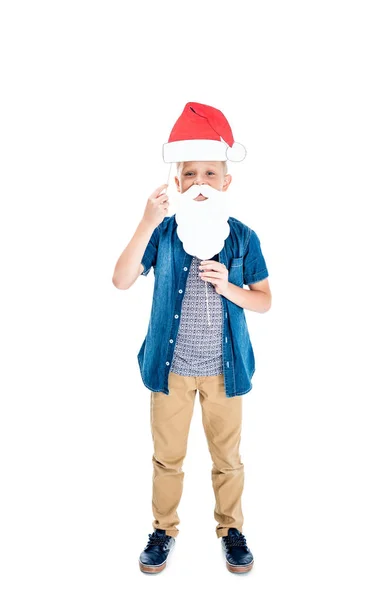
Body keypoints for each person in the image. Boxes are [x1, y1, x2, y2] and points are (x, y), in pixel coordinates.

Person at [112, 103, 272, 574]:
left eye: (210, 172)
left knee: (228, 458)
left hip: (225, 370)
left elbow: (264, 301)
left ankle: (232, 529)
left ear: (226, 180)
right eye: (190, 173)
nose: (200, 182)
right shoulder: (162, 234)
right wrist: (145, 220)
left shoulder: (242, 238)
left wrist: (229, 287)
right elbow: (121, 280)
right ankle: (163, 529)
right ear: (177, 181)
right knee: (167, 458)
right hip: (171, 371)